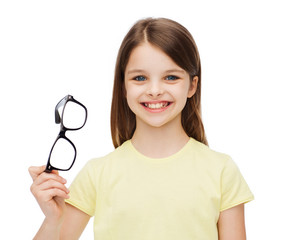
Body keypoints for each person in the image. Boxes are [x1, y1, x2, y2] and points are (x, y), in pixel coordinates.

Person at [29, 17, 254, 240]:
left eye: (171, 77)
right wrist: (52, 220)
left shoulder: (222, 170)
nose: (154, 90)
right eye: (140, 78)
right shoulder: (97, 173)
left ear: (192, 85)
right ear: (123, 87)